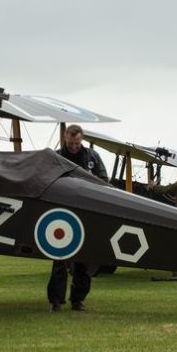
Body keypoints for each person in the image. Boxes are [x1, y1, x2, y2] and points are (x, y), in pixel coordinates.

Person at [48, 124, 108, 312]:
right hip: (62, 212)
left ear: (81, 140)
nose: (74, 146)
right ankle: (56, 301)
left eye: (77, 143)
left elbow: (103, 180)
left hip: (86, 212)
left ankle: (78, 300)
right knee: (59, 259)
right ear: (65, 137)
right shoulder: (56, 156)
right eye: (71, 142)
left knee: (85, 258)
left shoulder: (92, 157)